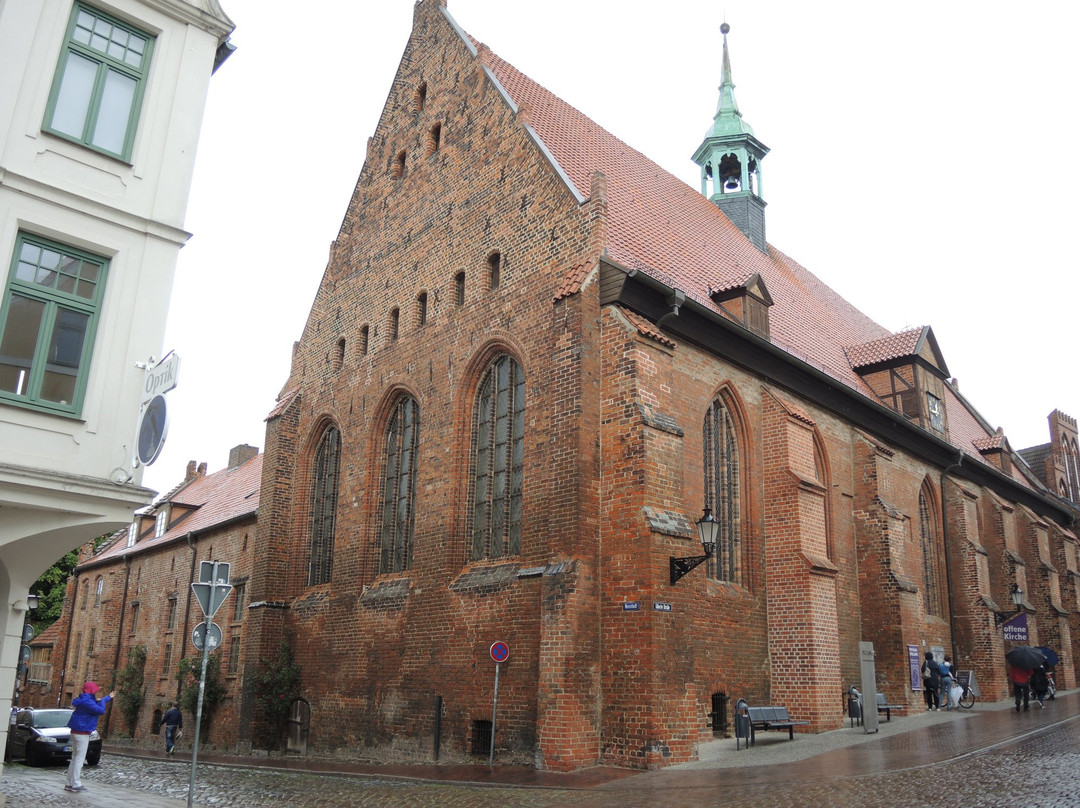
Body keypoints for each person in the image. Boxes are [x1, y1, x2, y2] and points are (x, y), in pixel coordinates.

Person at [65, 681, 114, 793]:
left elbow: (96, 702)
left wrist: (107, 697)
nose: (96, 692)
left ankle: (69, 782)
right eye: (95, 690)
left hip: (75, 731)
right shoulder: (88, 701)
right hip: (82, 732)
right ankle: (76, 784)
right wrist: (102, 700)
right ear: (91, 691)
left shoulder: (83, 699)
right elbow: (100, 710)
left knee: (74, 758)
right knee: (79, 759)